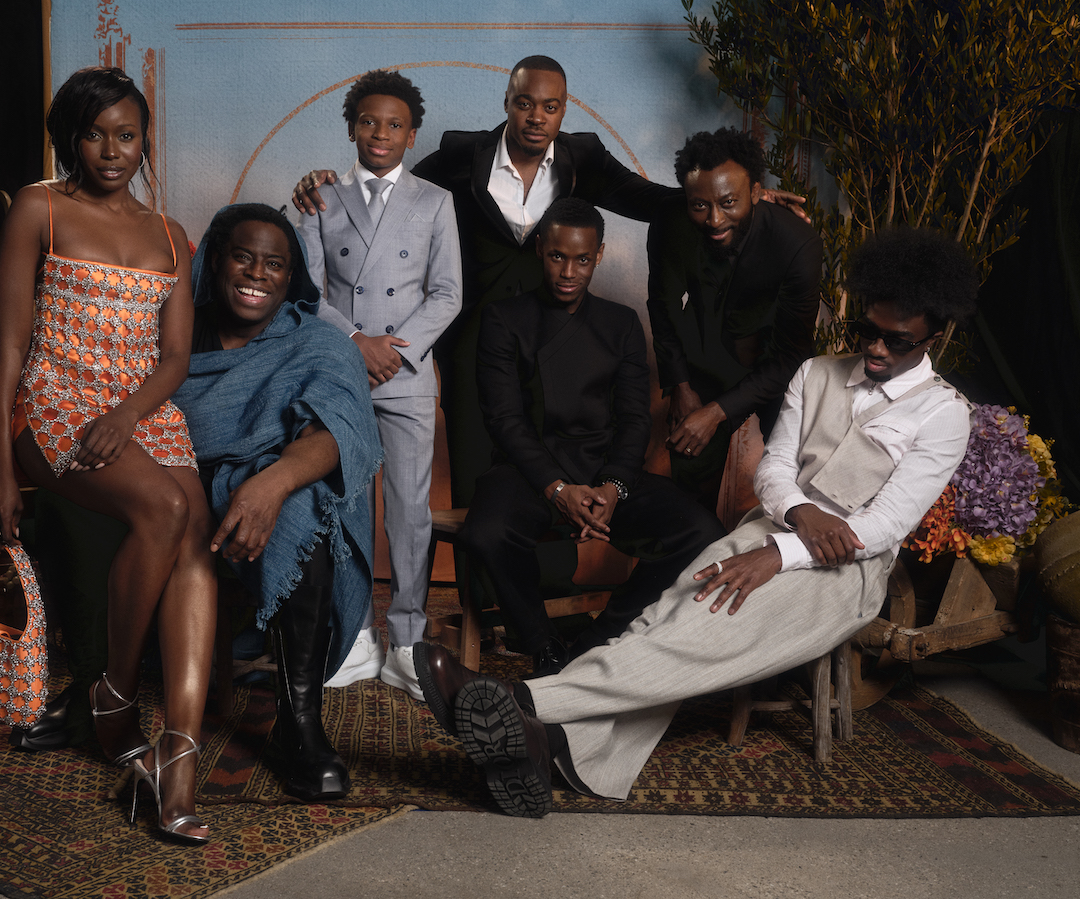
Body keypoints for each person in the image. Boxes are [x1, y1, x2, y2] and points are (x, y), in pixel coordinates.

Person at [414, 227, 977, 817]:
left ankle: (519, 701)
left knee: (697, 636)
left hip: (844, 572)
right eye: (867, 330)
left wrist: (781, 554)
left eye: (897, 340)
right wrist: (800, 516)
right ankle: (547, 745)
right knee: (660, 620)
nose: (876, 348)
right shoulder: (815, 373)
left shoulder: (944, 414)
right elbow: (775, 468)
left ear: (934, 336)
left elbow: (883, 527)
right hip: (770, 527)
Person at [293, 56, 808, 507]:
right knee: (475, 481)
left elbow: (652, 200)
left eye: (550, 107)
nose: (536, 117)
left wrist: (745, 197)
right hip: (473, 341)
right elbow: (392, 187)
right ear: (507, 103)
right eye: (524, 103)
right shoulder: (459, 155)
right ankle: (476, 583)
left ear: (564, 111)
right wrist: (326, 183)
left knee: (538, 476)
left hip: (550, 344)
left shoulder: (583, 158)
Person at [0, 66, 216, 844]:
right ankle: (114, 698)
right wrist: (1, 469)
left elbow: (175, 357)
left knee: (194, 535)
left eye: (126, 135)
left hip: (138, 406)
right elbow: (8, 349)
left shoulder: (170, 235)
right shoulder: (40, 209)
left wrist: (127, 414)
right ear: (70, 139)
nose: (111, 151)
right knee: (164, 506)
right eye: (94, 134)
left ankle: (177, 758)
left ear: (145, 141)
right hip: (52, 400)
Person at [459, 197, 726, 674]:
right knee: (486, 531)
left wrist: (614, 487)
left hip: (605, 472)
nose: (569, 272)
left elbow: (635, 419)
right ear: (540, 250)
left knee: (702, 531)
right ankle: (543, 646)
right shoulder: (503, 319)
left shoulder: (620, 323)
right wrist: (557, 488)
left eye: (582, 260)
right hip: (530, 473)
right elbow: (504, 419)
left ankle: (598, 641)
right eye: (557, 256)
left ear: (598, 255)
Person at [172, 203, 383, 802]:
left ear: (292, 277)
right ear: (216, 261)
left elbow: (339, 432)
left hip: (278, 486)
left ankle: (300, 722)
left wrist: (270, 484)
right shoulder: (177, 334)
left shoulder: (318, 342)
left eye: (274, 265)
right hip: (178, 484)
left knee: (305, 510)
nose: (256, 274)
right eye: (243, 257)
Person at [298, 69, 462, 700]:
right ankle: (356, 637)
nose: (381, 133)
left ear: (412, 135)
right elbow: (306, 292)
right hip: (343, 372)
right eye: (368, 121)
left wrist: (394, 351)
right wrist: (356, 343)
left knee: (410, 514)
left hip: (407, 374)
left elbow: (447, 293)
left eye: (395, 124)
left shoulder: (435, 201)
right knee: (346, 508)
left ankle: (409, 644)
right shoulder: (321, 198)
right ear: (351, 128)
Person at [648, 128, 822, 510]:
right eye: (699, 205)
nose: (714, 219)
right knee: (688, 468)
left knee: (799, 476)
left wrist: (717, 412)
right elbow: (662, 304)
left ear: (757, 192)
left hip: (775, 368)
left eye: (728, 202)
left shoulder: (798, 245)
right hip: (703, 362)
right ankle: (695, 546)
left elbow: (791, 354)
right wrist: (680, 384)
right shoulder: (669, 220)